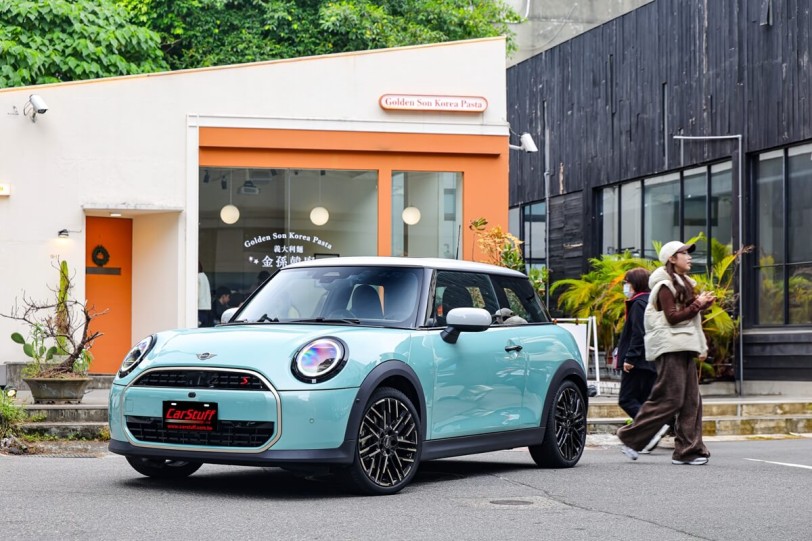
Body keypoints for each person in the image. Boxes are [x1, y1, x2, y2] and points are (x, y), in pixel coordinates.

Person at [617, 241, 715, 465]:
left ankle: (687, 451)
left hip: (684, 345)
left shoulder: (683, 283)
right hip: (670, 347)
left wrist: (702, 304)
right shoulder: (664, 285)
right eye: (684, 253)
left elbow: (686, 313)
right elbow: (672, 318)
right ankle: (630, 437)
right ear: (672, 258)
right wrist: (697, 305)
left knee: (691, 401)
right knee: (670, 398)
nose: (689, 257)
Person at [616, 267, 655, 420]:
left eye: (627, 282)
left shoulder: (638, 303)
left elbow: (638, 332)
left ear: (636, 283)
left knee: (626, 399)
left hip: (637, 361)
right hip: (650, 359)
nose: (625, 286)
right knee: (644, 400)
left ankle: (652, 426)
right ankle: (652, 429)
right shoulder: (651, 301)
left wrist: (630, 358)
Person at [197, 262, 212, 327]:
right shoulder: (204, 276)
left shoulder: (197, 277)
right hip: (206, 307)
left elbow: (196, 294)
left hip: (199, 307)